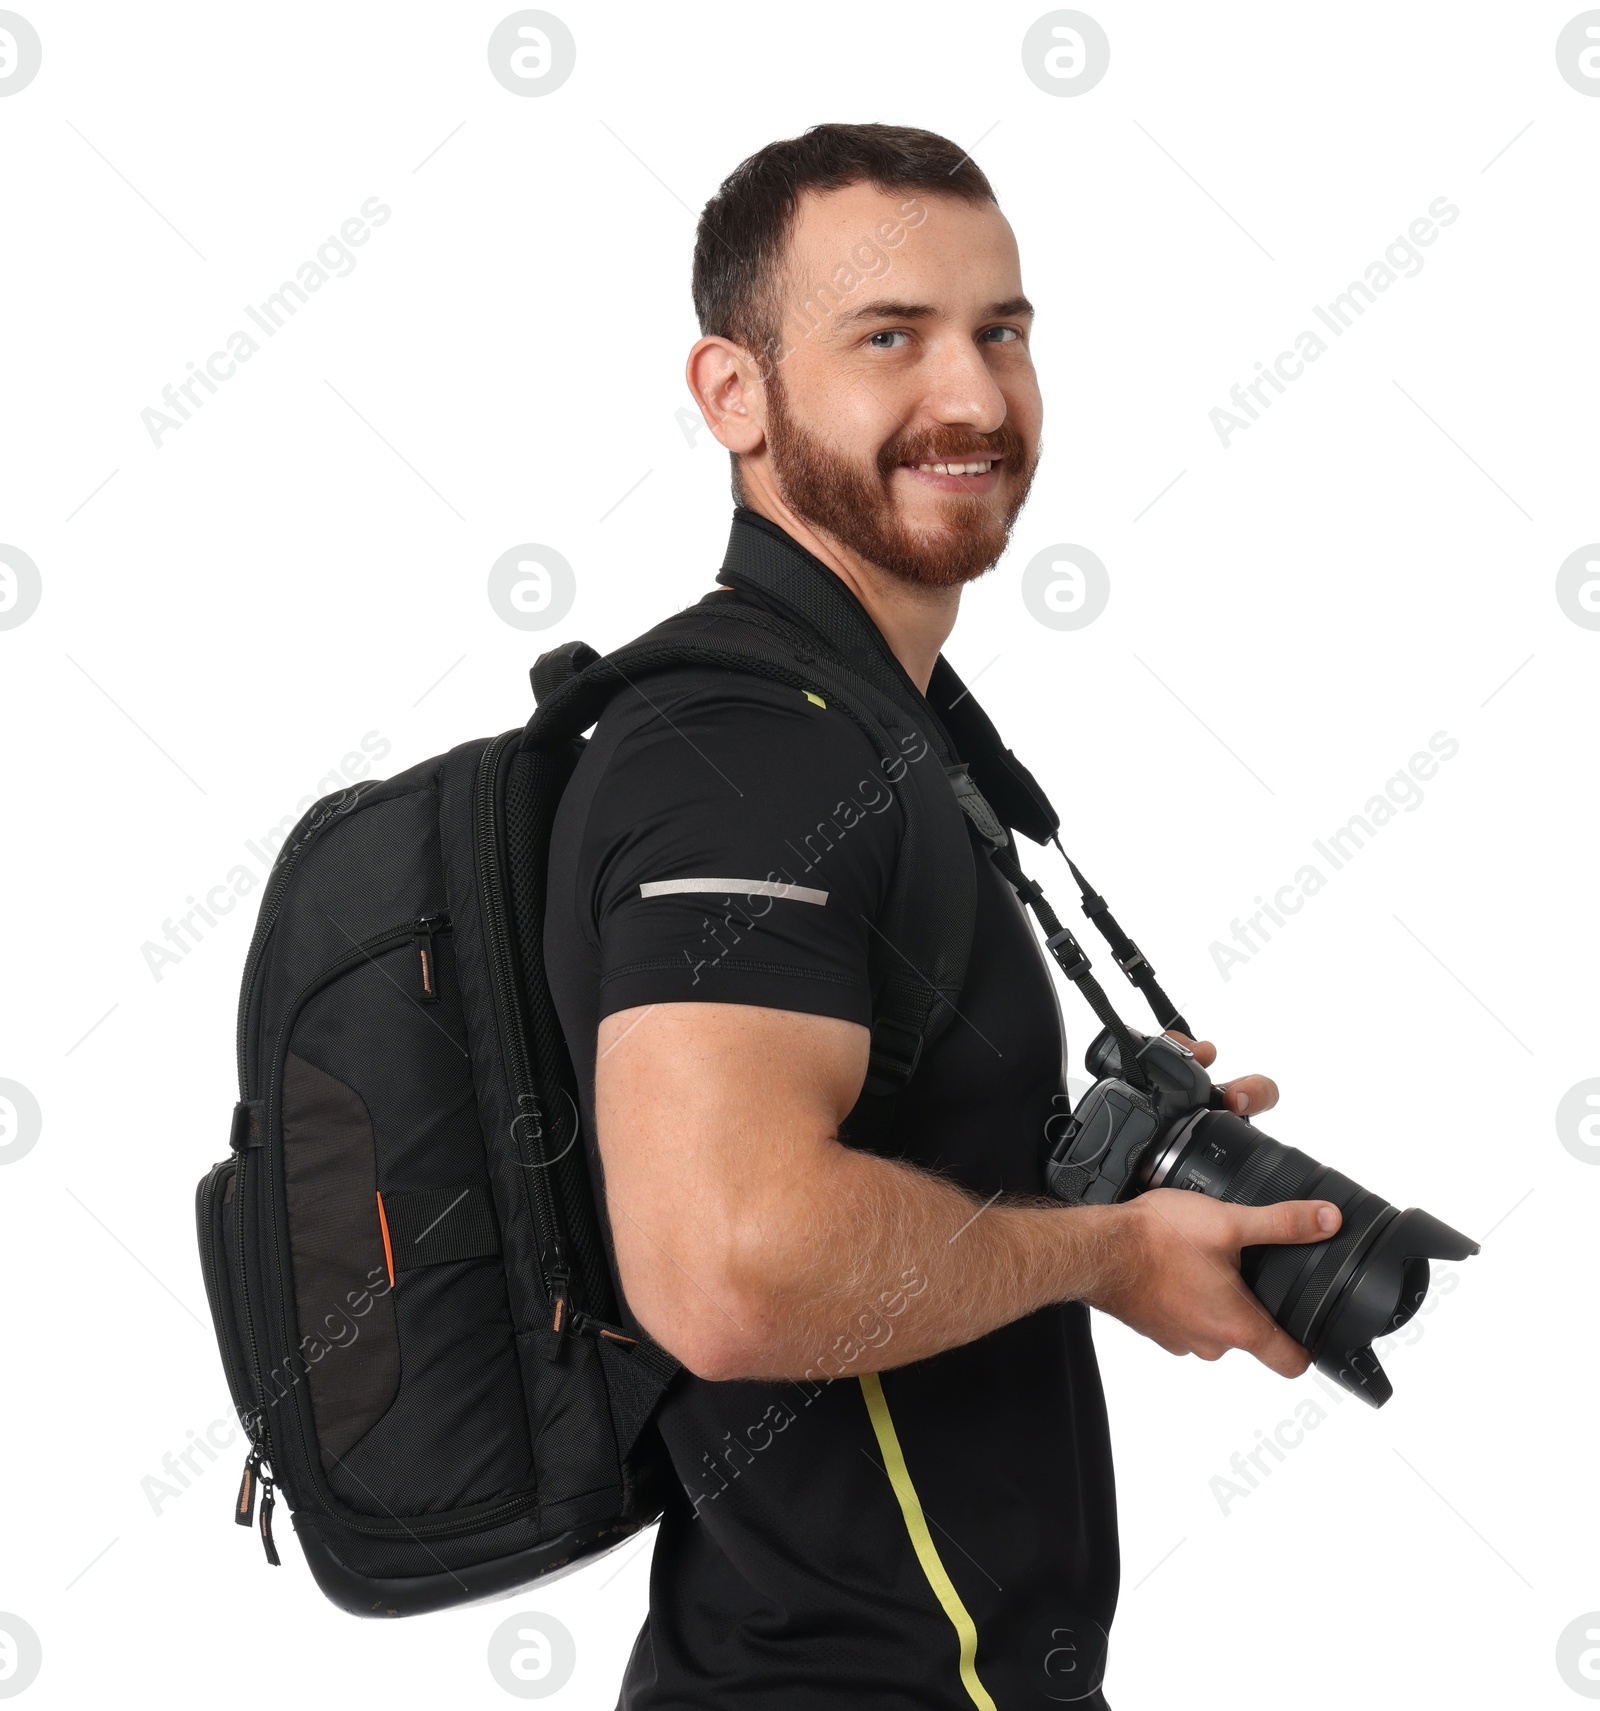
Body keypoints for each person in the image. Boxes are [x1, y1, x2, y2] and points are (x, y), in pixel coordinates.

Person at [544, 122, 1342, 1711]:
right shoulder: (748, 757)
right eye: (890, 338)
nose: (972, 398)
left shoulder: (868, 724)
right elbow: (729, 1268)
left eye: (1004, 333)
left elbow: (841, 1183)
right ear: (734, 394)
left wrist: (1073, 1175)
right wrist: (1107, 1250)